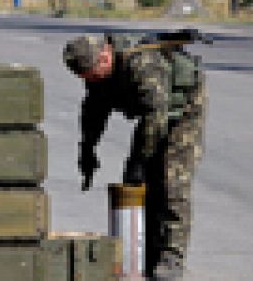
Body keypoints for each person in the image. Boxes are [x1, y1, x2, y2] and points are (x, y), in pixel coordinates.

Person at [63, 33, 206, 280]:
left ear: (105, 56)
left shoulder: (142, 65)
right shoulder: (99, 73)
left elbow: (156, 115)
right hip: (154, 115)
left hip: (183, 112)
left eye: (93, 74)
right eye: (86, 78)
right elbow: (94, 110)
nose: (92, 80)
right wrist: (88, 150)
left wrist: (141, 159)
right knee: (138, 185)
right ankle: (148, 253)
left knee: (172, 181)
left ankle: (172, 256)